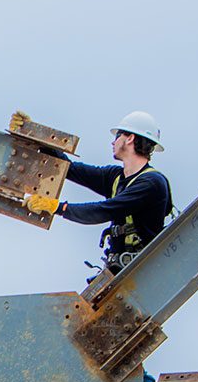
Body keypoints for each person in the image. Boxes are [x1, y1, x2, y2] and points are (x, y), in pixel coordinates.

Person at [24, 111, 172, 275]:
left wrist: (58, 207)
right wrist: (35, 135)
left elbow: (104, 210)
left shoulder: (151, 183)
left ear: (130, 138)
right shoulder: (115, 177)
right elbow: (70, 169)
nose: (113, 142)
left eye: (118, 136)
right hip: (120, 270)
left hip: (140, 271)